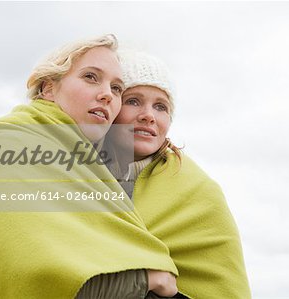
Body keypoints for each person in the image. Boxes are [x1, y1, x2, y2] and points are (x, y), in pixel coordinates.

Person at [0, 35, 179, 298]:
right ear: (48, 88)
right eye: (91, 77)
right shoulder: (4, 144)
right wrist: (147, 278)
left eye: (117, 89)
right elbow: (33, 276)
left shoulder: (84, 165)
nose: (107, 95)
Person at [107, 50, 252, 298]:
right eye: (133, 101)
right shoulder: (75, 175)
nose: (148, 116)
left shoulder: (199, 190)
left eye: (160, 107)